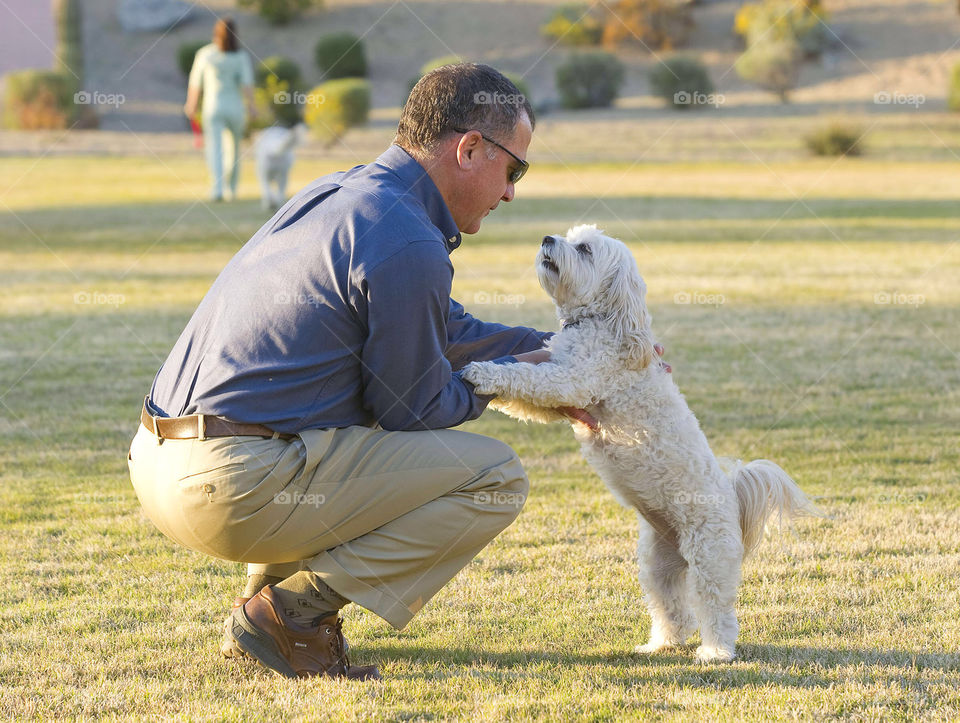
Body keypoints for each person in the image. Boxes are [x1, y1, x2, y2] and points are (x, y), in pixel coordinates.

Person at [128, 63, 604, 681]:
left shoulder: (344, 195)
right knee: (493, 476)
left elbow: (449, 331)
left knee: (344, 433)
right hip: (228, 487)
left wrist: (567, 351)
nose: (512, 191)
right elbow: (416, 410)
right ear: (469, 148)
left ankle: (267, 607)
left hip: (157, 465)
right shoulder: (407, 239)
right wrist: (516, 377)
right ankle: (293, 613)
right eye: (514, 169)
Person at [183, 17, 256, 202]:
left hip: (213, 107)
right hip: (235, 108)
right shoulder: (240, 57)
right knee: (234, 149)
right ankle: (231, 190)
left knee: (214, 148)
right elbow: (247, 85)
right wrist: (252, 107)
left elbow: (195, 83)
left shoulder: (205, 54)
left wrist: (191, 104)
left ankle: (216, 189)